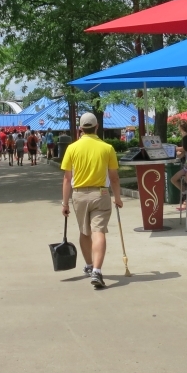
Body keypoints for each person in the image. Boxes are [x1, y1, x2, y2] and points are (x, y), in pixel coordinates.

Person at [61, 113, 122, 290]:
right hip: (101, 193)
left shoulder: (72, 148)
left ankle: (89, 264)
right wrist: (117, 197)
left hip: (79, 195)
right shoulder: (107, 148)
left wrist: (65, 203)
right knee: (99, 232)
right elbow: (114, 177)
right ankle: (97, 270)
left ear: (80, 128)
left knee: (84, 231)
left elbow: (66, 178)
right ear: (97, 127)